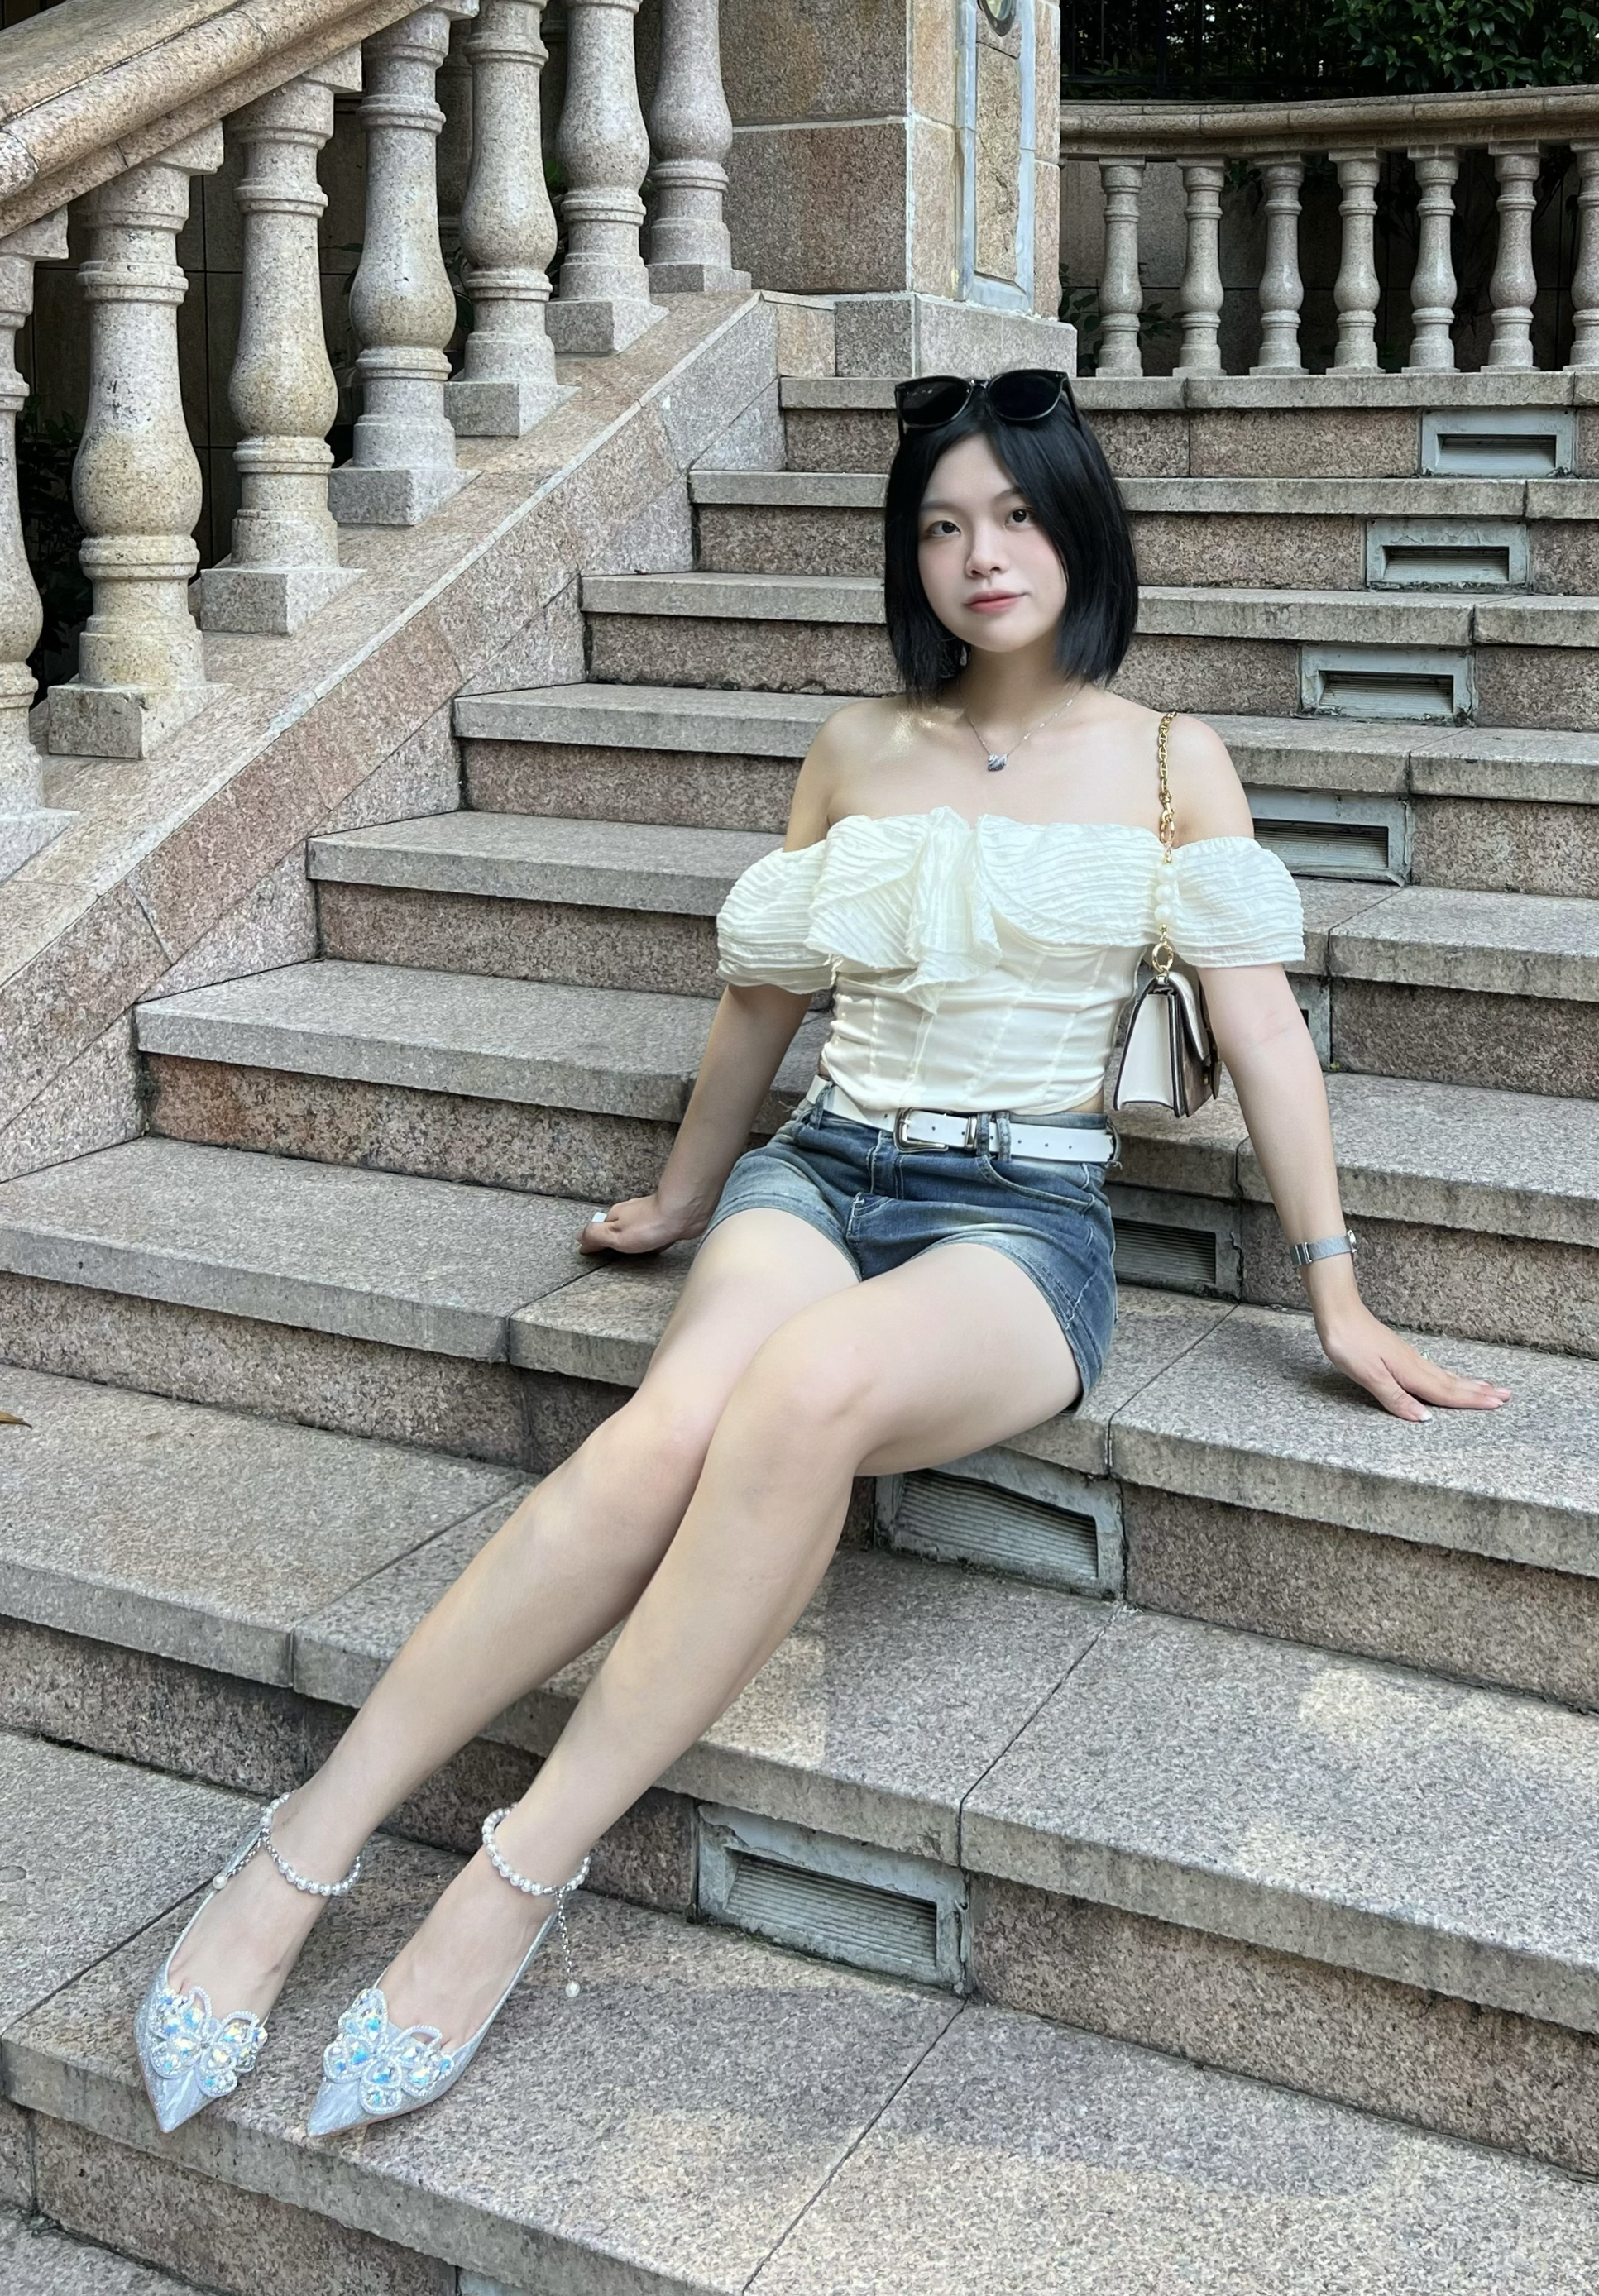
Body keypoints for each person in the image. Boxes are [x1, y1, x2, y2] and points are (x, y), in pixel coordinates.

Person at [135, 366, 1510, 2138]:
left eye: (1014, 515)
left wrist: (1335, 1287)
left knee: (800, 1392)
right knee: (670, 1422)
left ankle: (511, 1876)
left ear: (1079, 530)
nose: (979, 554)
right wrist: (686, 1194)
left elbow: (1260, 1032)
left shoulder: (1170, 758)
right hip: (827, 1167)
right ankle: (299, 1850)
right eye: (940, 525)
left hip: (1020, 1219)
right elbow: (763, 998)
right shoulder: (858, 747)